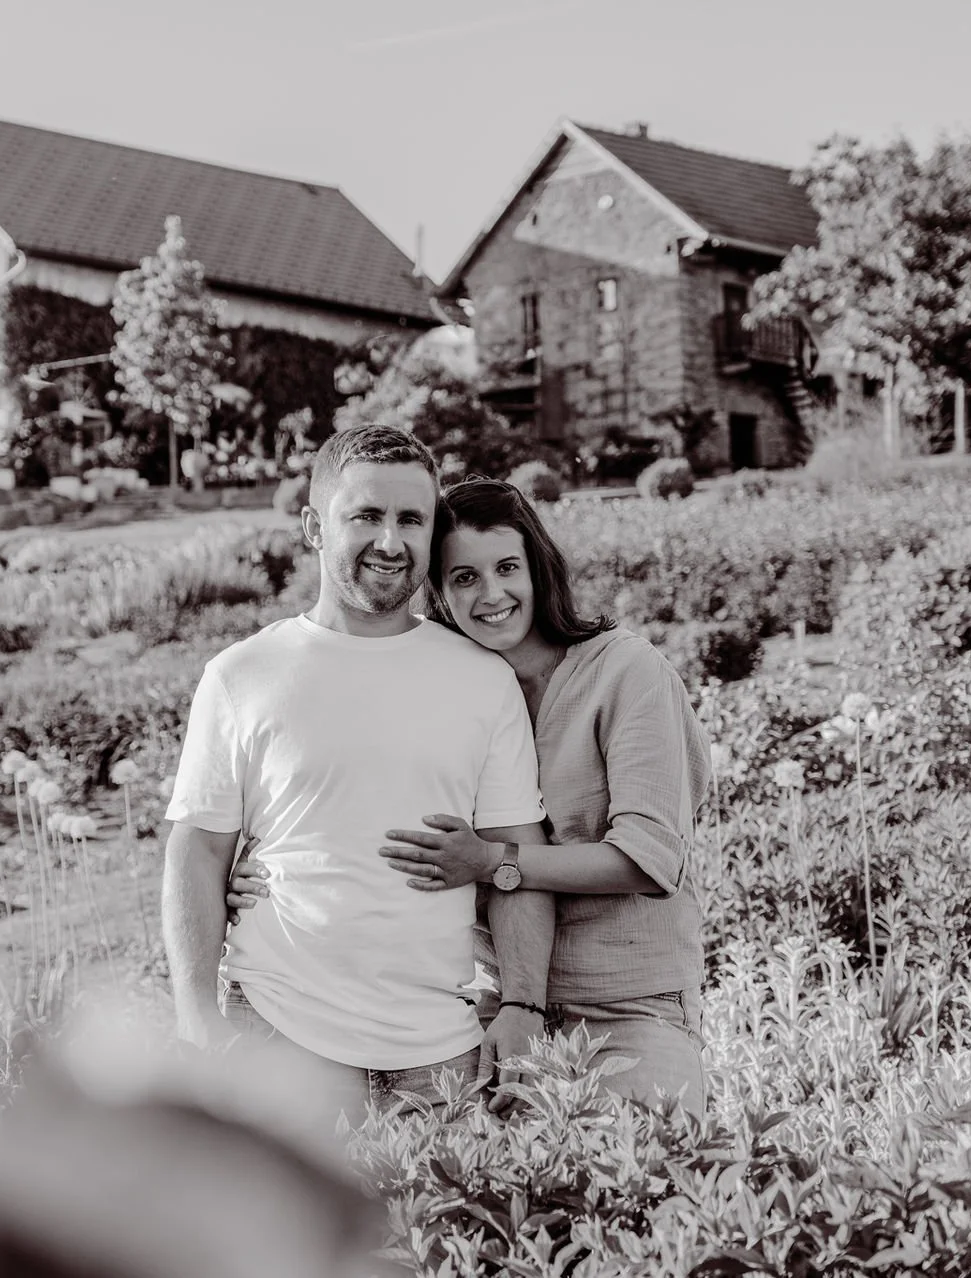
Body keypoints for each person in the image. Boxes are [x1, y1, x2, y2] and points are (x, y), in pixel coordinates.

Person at [231, 477, 712, 1117]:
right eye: (464, 578)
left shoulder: (626, 674)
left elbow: (648, 861)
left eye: (507, 568)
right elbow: (371, 807)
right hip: (499, 1007)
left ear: (538, 567)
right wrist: (260, 869)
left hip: (628, 1004)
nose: (490, 595)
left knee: (643, 1172)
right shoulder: (456, 687)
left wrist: (490, 862)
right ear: (438, 590)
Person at [162, 428, 558, 1126]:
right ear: (315, 527)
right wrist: (197, 1017)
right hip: (279, 1036)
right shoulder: (242, 676)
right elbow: (197, 848)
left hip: (443, 1053)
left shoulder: (482, 678)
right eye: (366, 516)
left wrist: (524, 1004)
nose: (390, 540)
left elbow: (516, 855)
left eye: (411, 519)